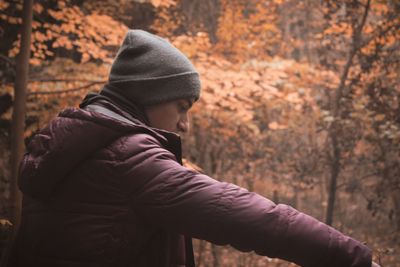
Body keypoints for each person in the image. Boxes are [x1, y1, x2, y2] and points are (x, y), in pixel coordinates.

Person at [8, 30, 380, 267]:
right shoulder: (128, 159)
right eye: (182, 107)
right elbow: (252, 217)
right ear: (149, 97)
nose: (184, 123)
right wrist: (350, 257)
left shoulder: (65, 143)